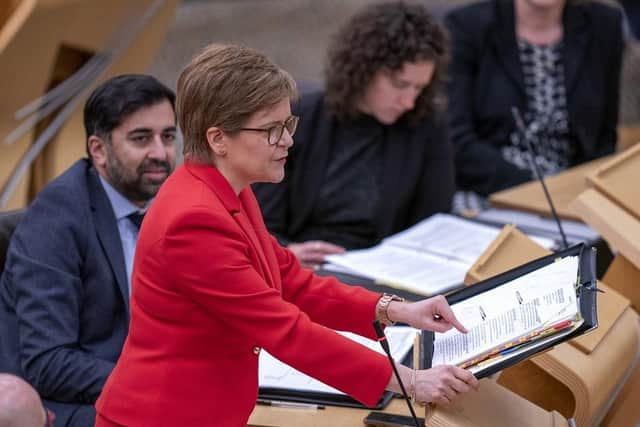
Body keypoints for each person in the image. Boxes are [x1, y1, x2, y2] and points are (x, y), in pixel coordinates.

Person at [94, 43, 478, 427]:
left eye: (288, 125)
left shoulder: (228, 189)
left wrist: (395, 309)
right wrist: (411, 381)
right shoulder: (194, 221)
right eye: (271, 130)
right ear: (218, 139)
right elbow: (286, 331)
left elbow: (290, 281)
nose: (287, 141)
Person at [0, 74, 177, 426]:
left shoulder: (158, 205)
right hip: (62, 406)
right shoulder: (56, 220)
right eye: (141, 139)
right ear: (98, 150)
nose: (160, 153)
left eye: (168, 137)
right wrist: (155, 385)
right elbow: (49, 363)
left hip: (132, 389)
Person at [253, 2, 454, 268]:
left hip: (384, 270)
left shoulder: (425, 125)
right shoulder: (301, 118)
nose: (409, 101)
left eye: (419, 88)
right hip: (305, 266)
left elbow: (432, 225)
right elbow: (260, 220)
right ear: (365, 69)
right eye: (400, 84)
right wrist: (286, 253)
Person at [445, 0, 623, 198]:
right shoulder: (467, 26)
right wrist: (535, 190)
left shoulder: (604, 24)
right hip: (489, 190)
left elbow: (605, 137)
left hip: (574, 193)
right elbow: (457, 140)